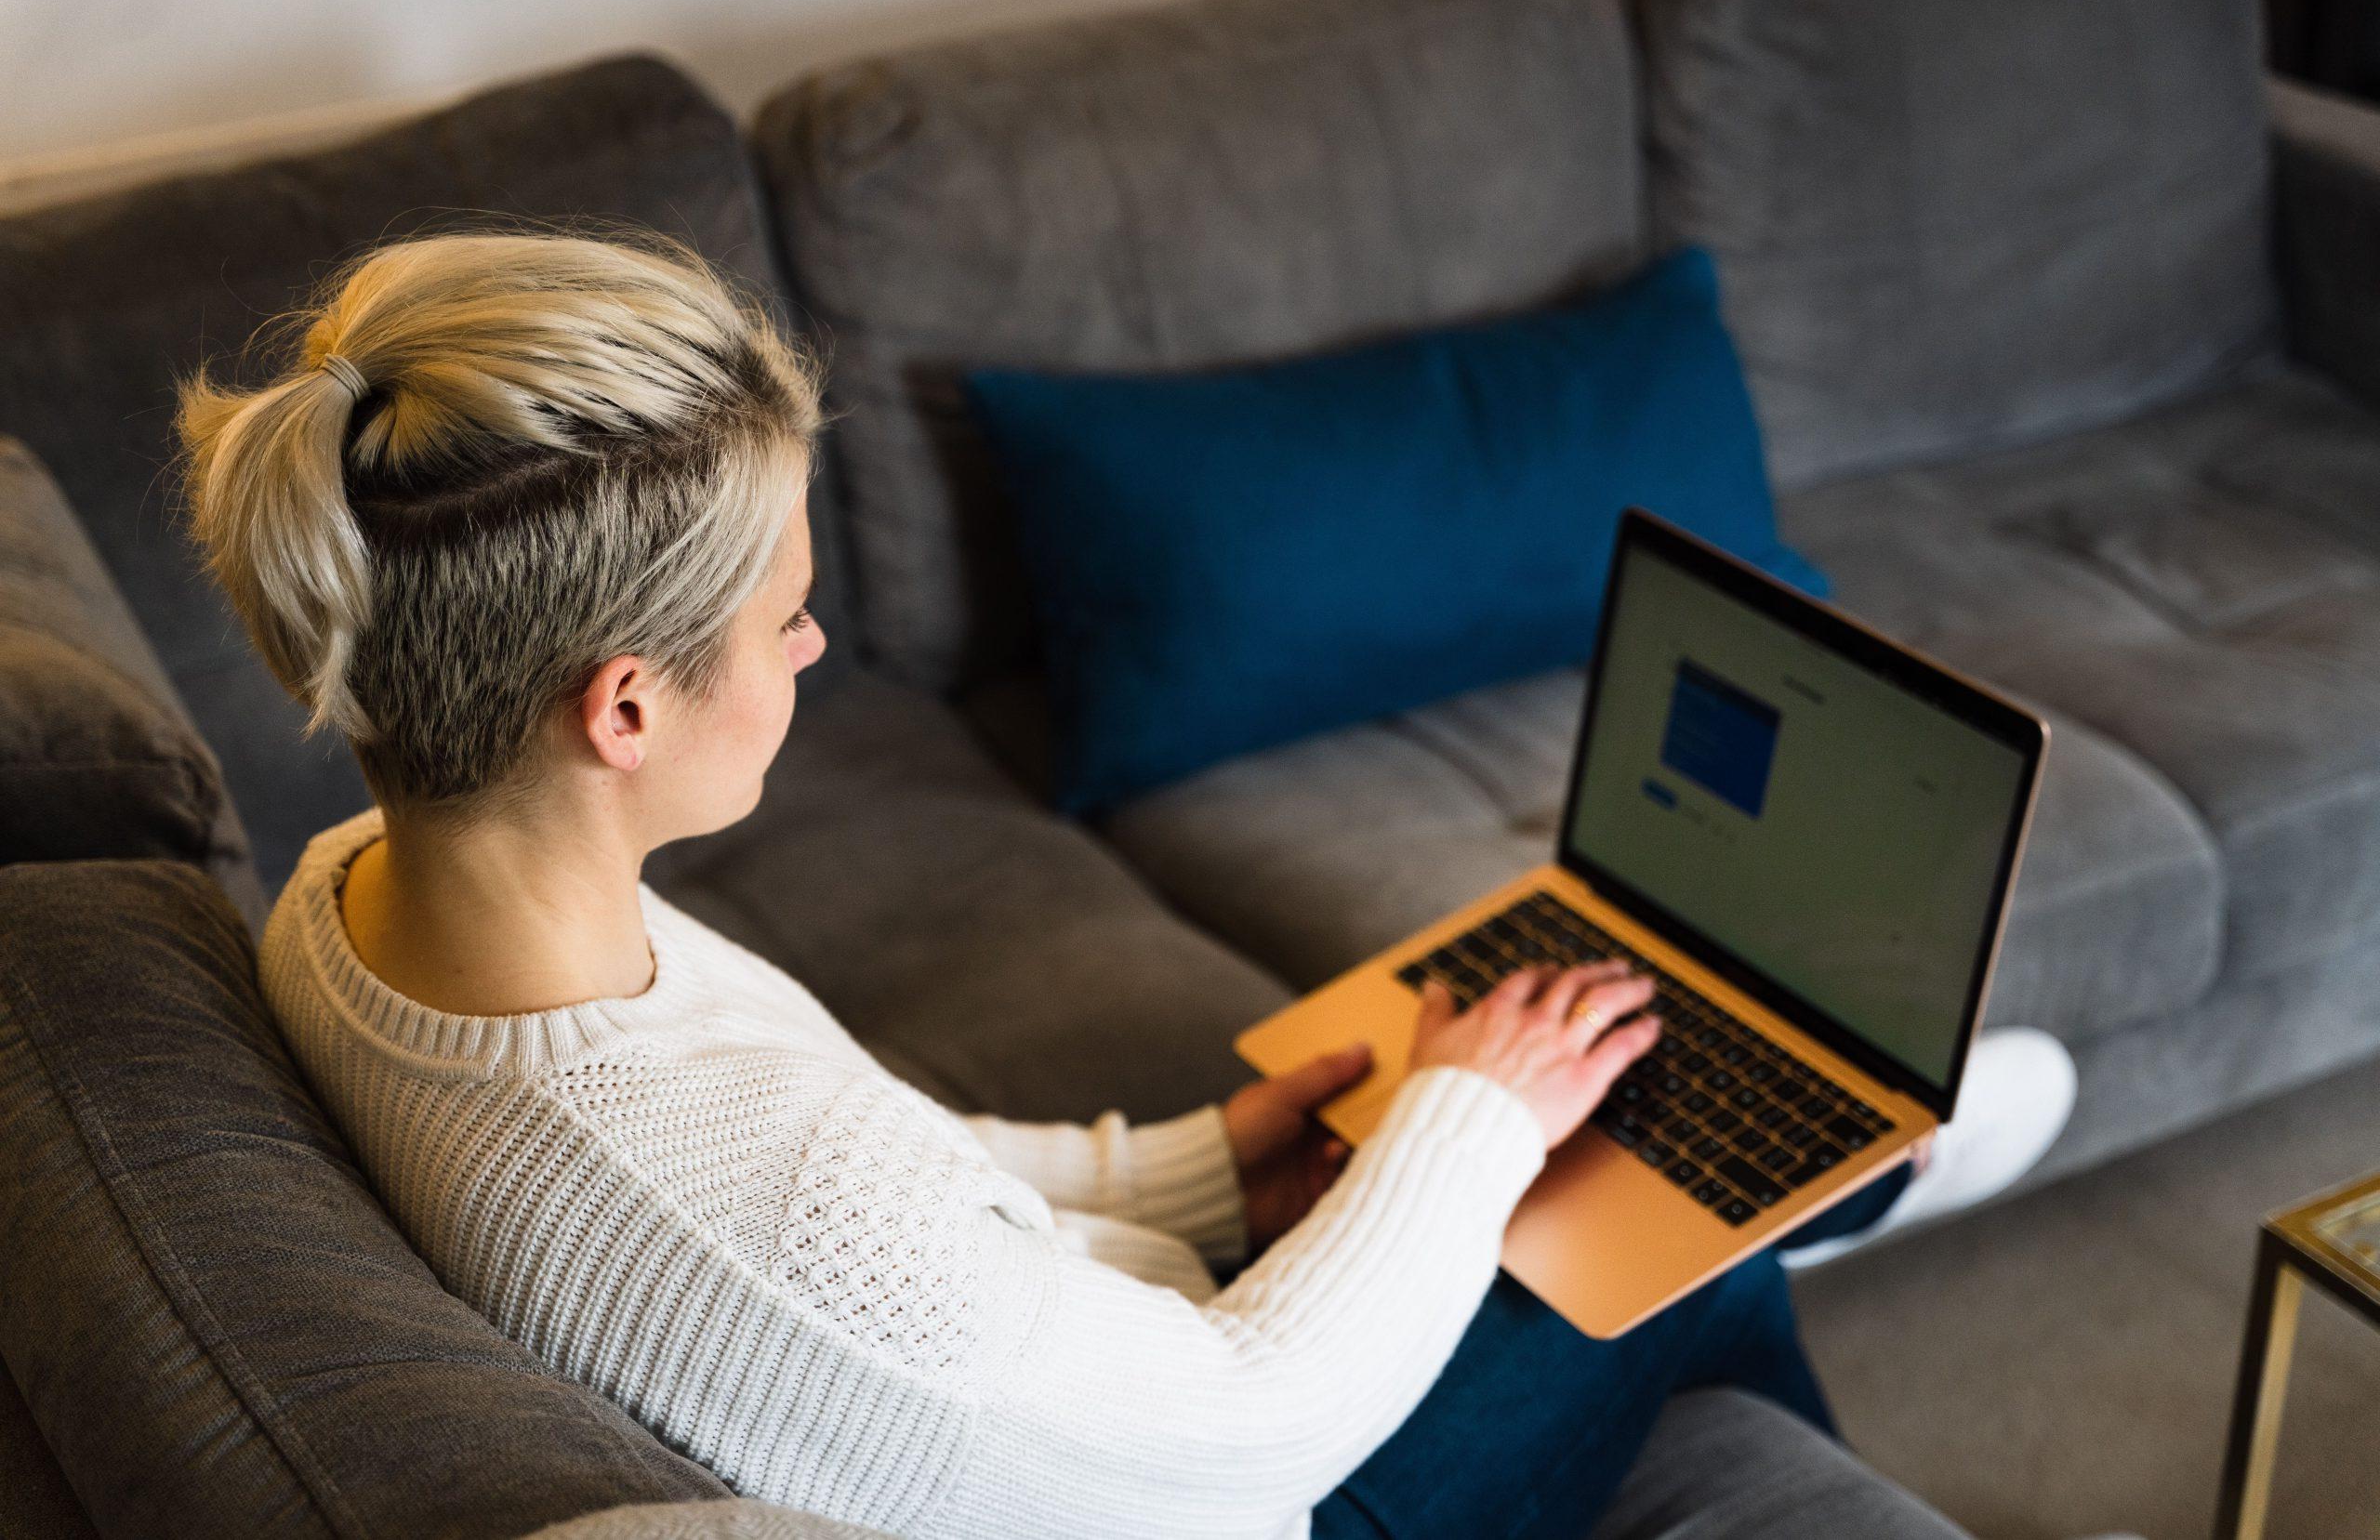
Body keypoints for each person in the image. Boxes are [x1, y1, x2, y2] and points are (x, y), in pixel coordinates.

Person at [175, 225, 2073, 1540]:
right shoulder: (745, 1190)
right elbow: (1251, 1426)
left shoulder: (362, 900)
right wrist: (1462, 1125)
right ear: (621, 705)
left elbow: (878, 1184)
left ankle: (1843, 1184)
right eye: (784, 614)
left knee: (1594, 1176)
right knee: (1643, 1228)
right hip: (1255, 1491)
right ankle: (1852, 1172)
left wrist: (1201, 1157)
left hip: (1073, 1384)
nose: (818, 645)